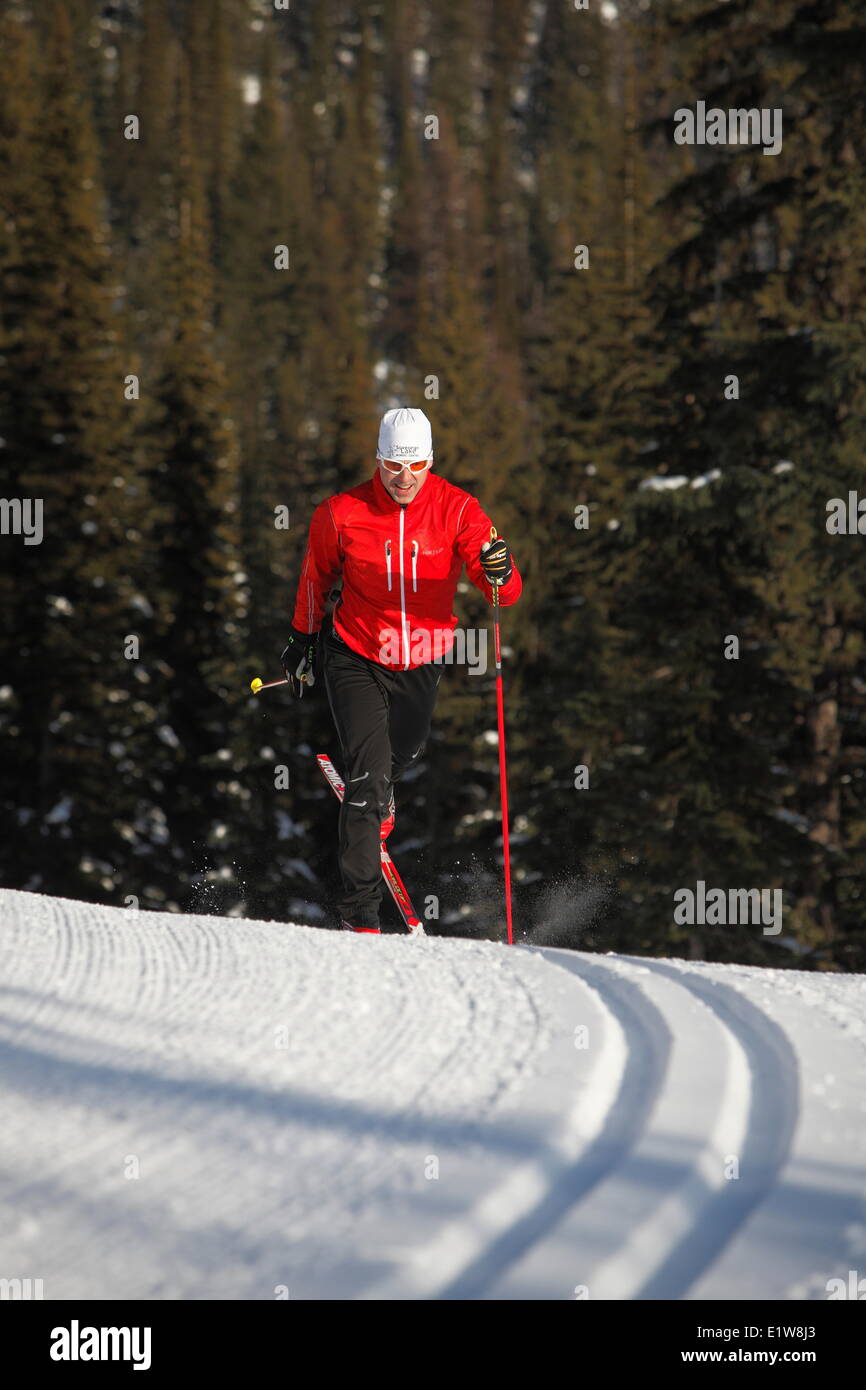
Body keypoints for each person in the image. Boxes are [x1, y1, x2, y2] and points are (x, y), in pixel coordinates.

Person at [283, 407, 522, 933]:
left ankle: (384, 789)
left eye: (415, 465)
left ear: (430, 461)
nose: (404, 477)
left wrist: (500, 573)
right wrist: (302, 639)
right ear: (379, 459)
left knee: (405, 750)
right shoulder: (341, 513)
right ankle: (360, 912)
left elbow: (502, 589)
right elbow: (315, 577)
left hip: (422, 655)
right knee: (365, 776)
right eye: (394, 465)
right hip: (356, 651)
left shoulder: (459, 510)